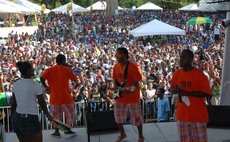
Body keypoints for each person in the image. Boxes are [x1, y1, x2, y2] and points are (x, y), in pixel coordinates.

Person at [170, 49, 213, 142]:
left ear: (190, 59)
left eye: (183, 57)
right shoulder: (177, 74)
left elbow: (207, 93)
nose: (180, 59)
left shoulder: (200, 75)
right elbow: (172, 89)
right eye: (180, 57)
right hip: (182, 116)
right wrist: (174, 90)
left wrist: (187, 93)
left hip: (198, 116)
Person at [10, 61, 53, 142]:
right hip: (31, 118)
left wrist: (12, 117)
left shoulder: (16, 84)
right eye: (31, 68)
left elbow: (14, 103)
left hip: (17, 118)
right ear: (27, 71)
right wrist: (48, 114)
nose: (33, 70)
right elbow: (42, 102)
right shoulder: (35, 84)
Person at [40, 54, 77, 137]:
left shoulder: (49, 70)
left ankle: (57, 132)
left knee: (56, 117)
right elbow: (75, 80)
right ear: (64, 61)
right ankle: (67, 129)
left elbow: (41, 78)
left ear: (56, 61)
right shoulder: (67, 70)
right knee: (71, 115)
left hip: (55, 98)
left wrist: (46, 87)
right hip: (66, 98)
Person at [113, 47, 144, 142]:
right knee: (117, 117)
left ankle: (140, 136)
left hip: (132, 97)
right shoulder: (116, 66)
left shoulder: (133, 67)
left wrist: (130, 89)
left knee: (137, 117)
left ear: (125, 55)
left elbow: (137, 82)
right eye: (116, 54)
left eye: (119, 54)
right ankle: (122, 134)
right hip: (120, 96)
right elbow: (115, 79)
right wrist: (117, 88)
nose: (116, 56)